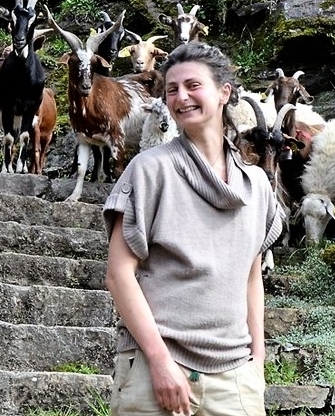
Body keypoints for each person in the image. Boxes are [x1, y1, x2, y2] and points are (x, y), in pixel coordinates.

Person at [103, 41, 285, 416]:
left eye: (193, 85)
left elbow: (252, 276)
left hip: (235, 376)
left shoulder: (256, 185)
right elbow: (119, 274)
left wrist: (258, 361)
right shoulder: (150, 169)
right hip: (155, 368)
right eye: (172, 89)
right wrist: (159, 361)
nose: (181, 97)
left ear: (224, 92)